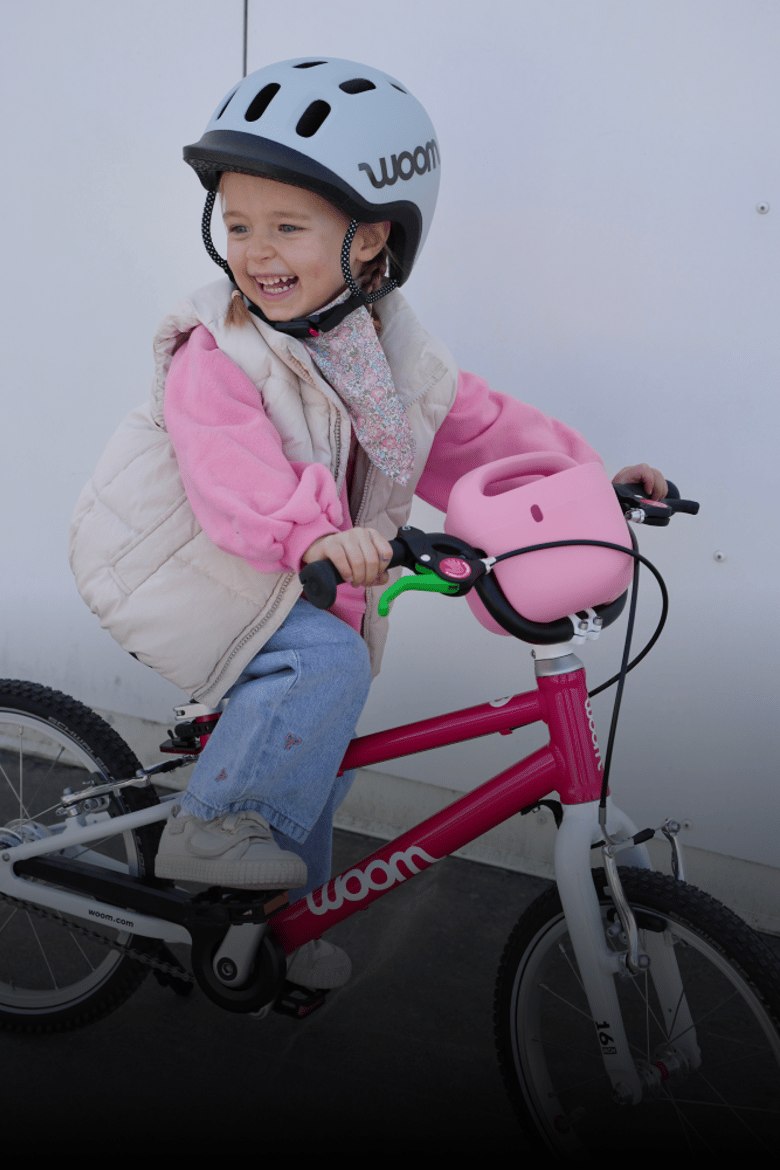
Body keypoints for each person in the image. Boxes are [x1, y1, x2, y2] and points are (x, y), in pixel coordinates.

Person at [69, 57, 665, 991]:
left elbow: (472, 431)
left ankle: (266, 935)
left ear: (374, 238)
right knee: (325, 665)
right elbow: (233, 476)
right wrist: (310, 533)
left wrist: (588, 477)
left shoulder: (385, 347)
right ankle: (211, 828)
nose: (255, 252)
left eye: (287, 226)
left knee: (319, 758)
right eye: (237, 225)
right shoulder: (215, 348)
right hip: (180, 559)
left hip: (285, 568)